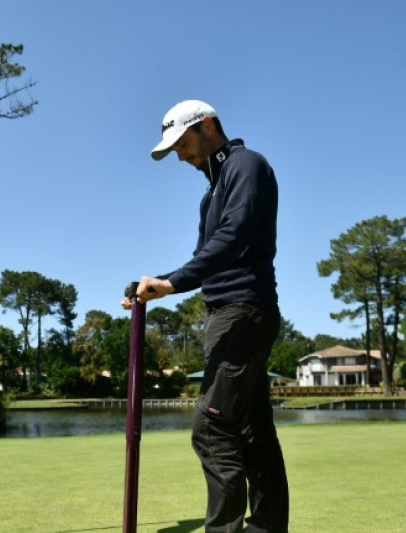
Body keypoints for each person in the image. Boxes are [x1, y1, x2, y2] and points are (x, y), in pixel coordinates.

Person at [122, 100, 289, 532]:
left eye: (182, 143)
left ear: (207, 125)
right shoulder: (209, 195)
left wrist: (173, 284)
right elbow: (204, 258)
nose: (179, 155)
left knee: (212, 431)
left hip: (242, 313)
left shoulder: (246, 166)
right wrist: (158, 283)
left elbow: (234, 238)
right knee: (253, 432)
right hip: (230, 316)